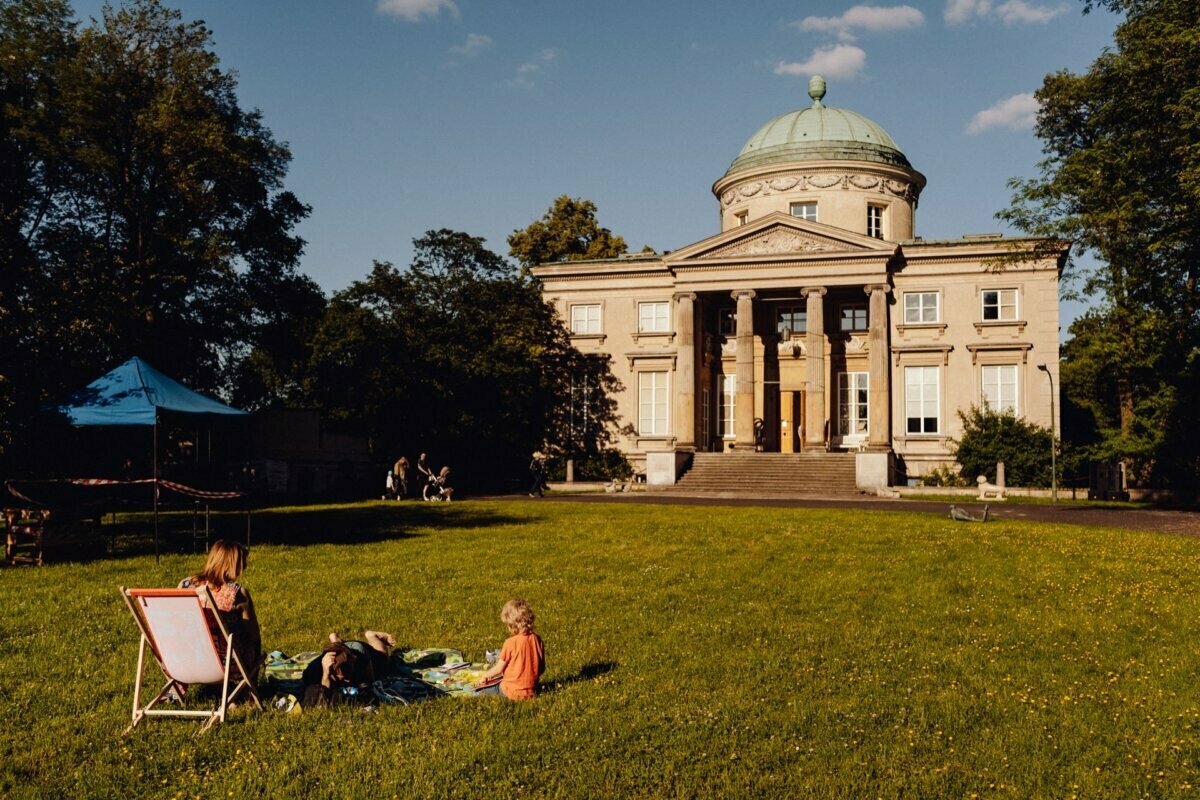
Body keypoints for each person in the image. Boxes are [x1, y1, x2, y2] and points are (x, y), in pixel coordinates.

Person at [178, 540, 263, 679]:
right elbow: (252, 635)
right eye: (243, 562)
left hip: (185, 661)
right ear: (234, 564)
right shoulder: (237, 593)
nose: (246, 566)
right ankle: (249, 689)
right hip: (224, 665)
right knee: (254, 641)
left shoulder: (185, 585)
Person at [300, 630, 396, 708]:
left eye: (347, 674)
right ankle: (336, 641)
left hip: (358, 649)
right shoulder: (314, 670)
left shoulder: (360, 658)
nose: (347, 680)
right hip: (341, 651)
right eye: (341, 677)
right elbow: (324, 697)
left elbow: (370, 686)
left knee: (383, 660)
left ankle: (372, 635)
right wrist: (326, 675)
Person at [475, 599, 544, 700]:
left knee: (478, 689)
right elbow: (541, 668)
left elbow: (499, 669)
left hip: (509, 691)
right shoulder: (537, 639)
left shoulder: (510, 642)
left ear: (512, 625)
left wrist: (485, 676)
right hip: (532, 691)